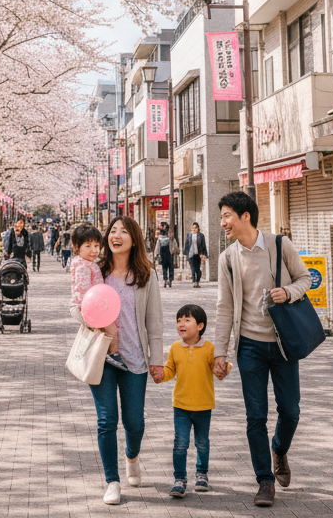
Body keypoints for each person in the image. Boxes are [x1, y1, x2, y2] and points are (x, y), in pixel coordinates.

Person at [213, 191, 311, 509]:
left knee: (291, 411)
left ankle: (279, 449)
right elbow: (224, 308)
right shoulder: (227, 258)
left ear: (245, 216)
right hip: (250, 347)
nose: (223, 222)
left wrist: (288, 291)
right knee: (255, 416)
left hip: (283, 343)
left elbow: (305, 279)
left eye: (227, 215)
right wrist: (220, 352)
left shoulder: (279, 245)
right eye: (221, 216)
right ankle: (264, 481)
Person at [85, 216, 164, 506]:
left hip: (134, 361)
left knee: (135, 423)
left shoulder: (146, 275)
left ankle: (132, 456)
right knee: (107, 420)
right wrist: (87, 317)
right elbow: (75, 304)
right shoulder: (96, 271)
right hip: (102, 358)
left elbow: (154, 322)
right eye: (113, 231)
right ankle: (112, 481)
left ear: (134, 239)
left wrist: (157, 360)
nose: (116, 235)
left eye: (123, 232)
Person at [161, 304, 218, 498]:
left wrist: (224, 368)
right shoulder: (175, 347)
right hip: (181, 406)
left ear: (200, 326)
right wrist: (161, 374)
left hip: (204, 405)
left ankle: (202, 474)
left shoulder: (209, 348)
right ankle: (179, 479)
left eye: (186, 320)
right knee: (180, 443)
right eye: (178, 320)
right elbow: (170, 370)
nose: (181, 324)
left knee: (202, 443)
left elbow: (217, 369)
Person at [68, 223, 126, 371]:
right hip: (85, 307)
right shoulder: (84, 266)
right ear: (77, 247)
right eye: (88, 246)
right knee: (110, 329)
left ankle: (106, 353)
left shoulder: (87, 263)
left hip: (89, 306)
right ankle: (113, 354)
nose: (94, 250)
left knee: (102, 330)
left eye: (96, 245)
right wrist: (91, 312)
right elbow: (84, 290)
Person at [152, 222, 179, 289]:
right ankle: (167, 279)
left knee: (167, 267)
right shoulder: (163, 238)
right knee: (167, 267)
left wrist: (156, 254)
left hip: (166, 253)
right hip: (166, 254)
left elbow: (172, 244)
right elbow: (158, 246)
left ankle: (168, 279)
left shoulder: (167, 237)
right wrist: (156, 254)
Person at [185, 223, 207, 289]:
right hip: (191, 254)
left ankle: (197, 281)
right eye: (193, 228)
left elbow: (203, 246)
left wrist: (204, 254)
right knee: (193, 268)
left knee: (198, 269)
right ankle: (194, 281)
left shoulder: (201, 236)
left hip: (198, 254)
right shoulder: (189, 235)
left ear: (198, 228)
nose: (194, 229)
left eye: (195, 228)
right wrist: (186, 254)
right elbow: (186, 245)